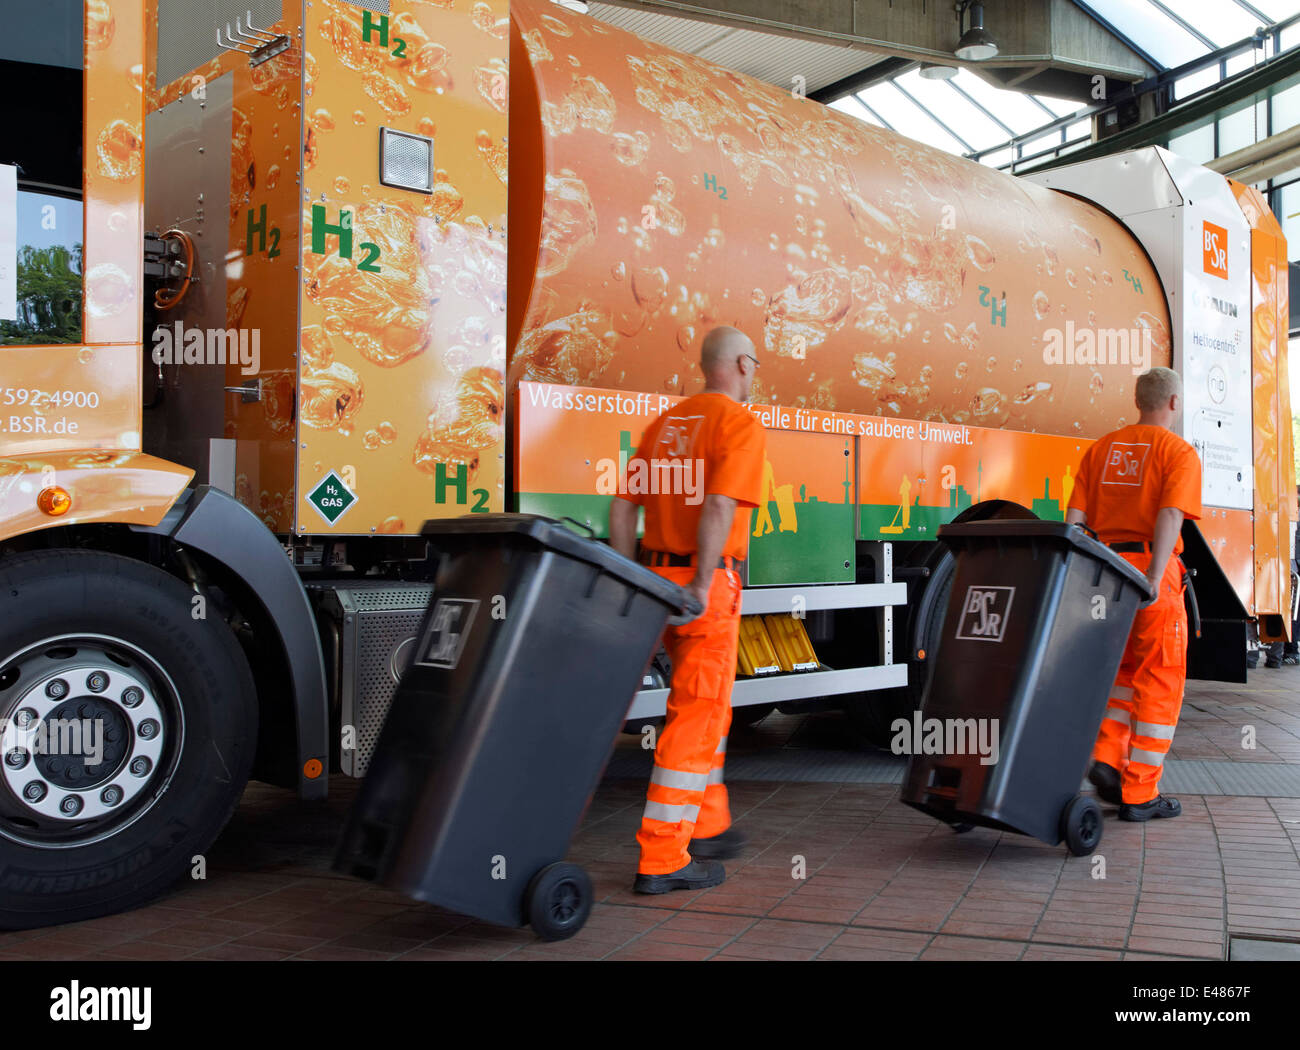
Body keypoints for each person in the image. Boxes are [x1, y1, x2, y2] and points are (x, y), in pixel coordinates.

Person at [608, 325, 767, 893]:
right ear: (744, 365)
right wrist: (701, 581)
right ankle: (663, 857)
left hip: (651, 579)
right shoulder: (739, 424)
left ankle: (707, 824)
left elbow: (623, 508)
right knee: (698, 713)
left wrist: (630, 578)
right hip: (704, 588)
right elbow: (721, 503)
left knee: (704, 713)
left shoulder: (663, 425)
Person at [1066, 367, 1202, 821]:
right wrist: (1155, 574)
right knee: (1159, 675)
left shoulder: (1102, 448)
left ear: (1137, 399)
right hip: (1150, 571)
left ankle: (1107, 758)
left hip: (1104, 569)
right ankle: (1140, 792)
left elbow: (1075, 517)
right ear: (1174, 403)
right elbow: (1169, 517)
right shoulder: (1178, 452)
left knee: (1119, 671)